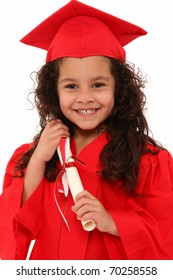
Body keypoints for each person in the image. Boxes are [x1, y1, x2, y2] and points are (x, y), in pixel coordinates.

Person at [0, 0, 173, 260]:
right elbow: (13, 225)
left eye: (98, 85)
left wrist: (114, 222)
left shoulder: (147, 159)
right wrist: (38, 160)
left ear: (119, 88)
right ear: (53, 91)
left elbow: (164, 232)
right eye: (71, 86)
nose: (84, 98)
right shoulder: (34, 156)